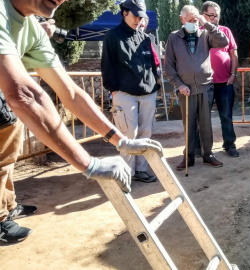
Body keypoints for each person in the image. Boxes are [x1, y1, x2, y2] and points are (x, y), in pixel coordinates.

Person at [0, 0, 163, 243]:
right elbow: (24, 95)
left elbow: (72, 94)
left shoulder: (32, 27)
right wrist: (91, 165)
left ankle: (5, 207)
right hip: (8, 95)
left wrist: (121, 140)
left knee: (5, 158)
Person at [164, 5, 228, 171]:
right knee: (189, 124)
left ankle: (208, 155)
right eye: (190, 20)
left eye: (195, 19)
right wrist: (179, 84)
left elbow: (223, 41)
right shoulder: (174, 38)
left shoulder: (206, 34)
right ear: (182, 20)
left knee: (206, 124)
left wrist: (204, 22)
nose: (193, 22)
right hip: (186, 89)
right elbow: (169, 65)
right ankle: (188, 157)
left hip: (205, 87)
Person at [101, 0, 159, 183]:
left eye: (141, 16)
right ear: (124, 12)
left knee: (145, 133)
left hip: (148, 93)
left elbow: (151, 64)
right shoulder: (112, 36)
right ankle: (126, 173)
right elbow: (107, 66)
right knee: (128, 135)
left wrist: (154, 84)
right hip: (124, 94)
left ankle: (141, 170)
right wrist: (114, 91)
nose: (138, 20)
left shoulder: (145, 38)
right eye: (135, 15)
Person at [201, 1, 239, 158]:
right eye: (211, 15)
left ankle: (229, 145)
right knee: (202, 117)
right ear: (203, 15)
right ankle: (200, 148)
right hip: (204, 84)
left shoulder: (225, 31)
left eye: (217, 15)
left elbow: (233, 54)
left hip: (225, 82)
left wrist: (233, 75)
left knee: (226, 116)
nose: (215, 18)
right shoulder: (198, 32)